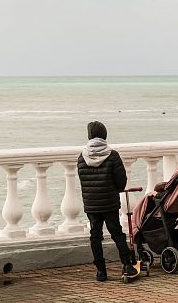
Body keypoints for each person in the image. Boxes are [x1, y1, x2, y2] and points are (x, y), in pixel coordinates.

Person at [77, 120, 137, 281]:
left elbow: (83, 180)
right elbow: (121, 181)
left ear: (89, 136)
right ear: (105, 135)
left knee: (95, 235)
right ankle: (127, 265)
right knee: (116, 233)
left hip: (91, 203)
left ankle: (101, 271)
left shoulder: (82, 157)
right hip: (109, 202)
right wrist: (112, 190)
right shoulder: (112, 155)